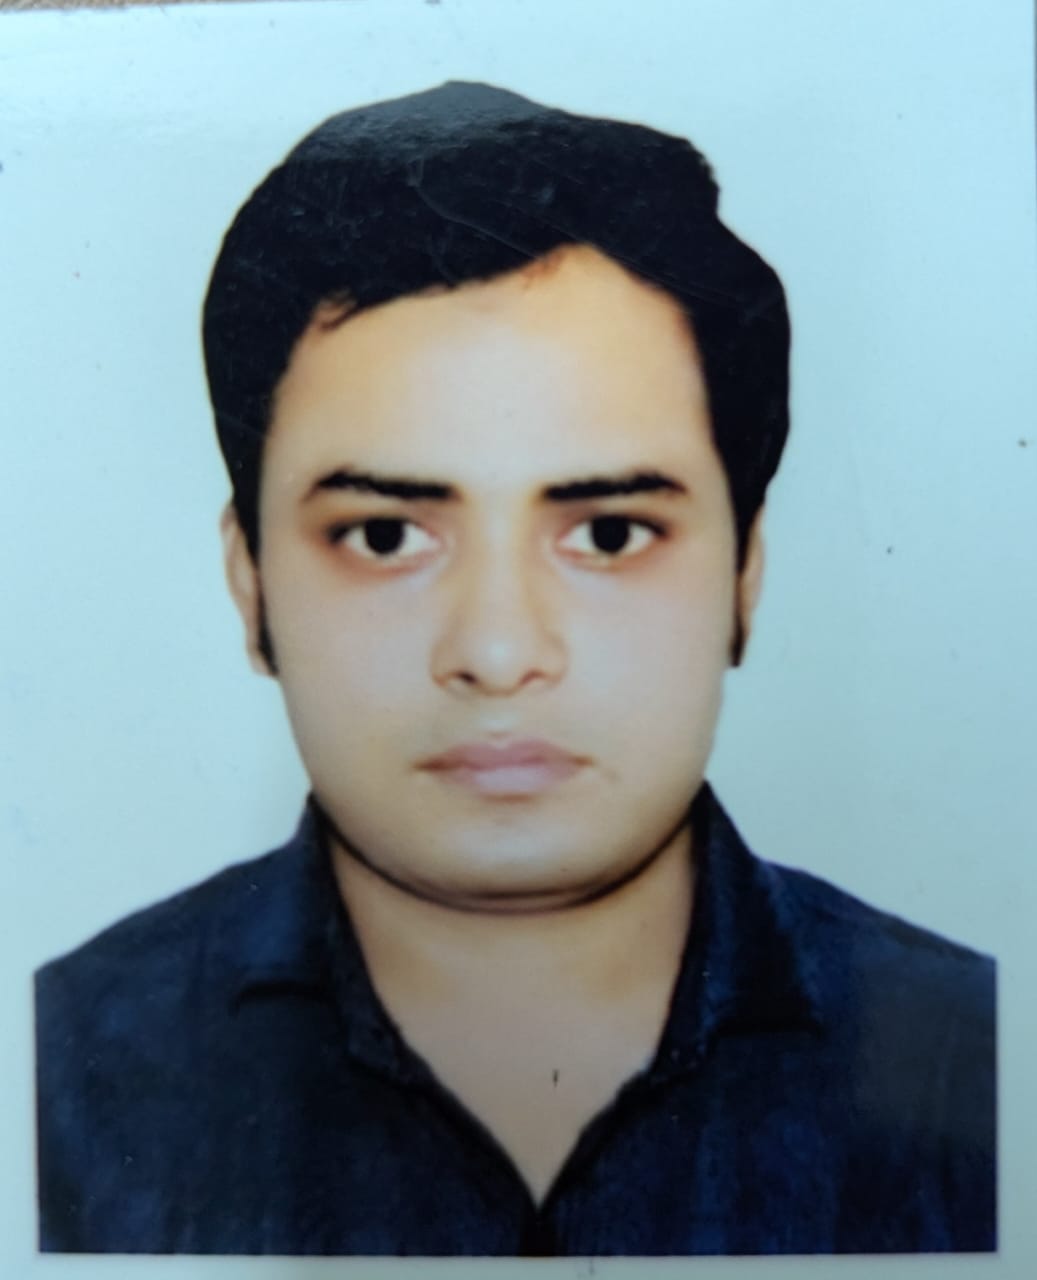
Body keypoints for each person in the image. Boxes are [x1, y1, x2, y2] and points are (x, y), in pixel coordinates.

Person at [34, 81, 995, 1256]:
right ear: (252, 582)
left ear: (743, 572)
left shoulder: (980, 1060)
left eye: (609, 533)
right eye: (384, 535)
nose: (496, 653)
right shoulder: (50, 1082)